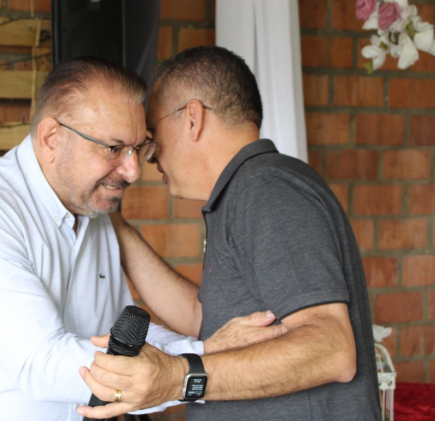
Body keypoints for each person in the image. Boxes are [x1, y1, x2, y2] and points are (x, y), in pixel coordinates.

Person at [0, 57, 285, 421]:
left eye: (138, 148)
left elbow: (117, 333)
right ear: (51, 138)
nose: (133, 170)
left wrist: (209, 349)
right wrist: (200, 359)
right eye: (114, 148)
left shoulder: (91, 209)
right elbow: (42, 364)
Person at [77, 46, 382, 421]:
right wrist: (111, 222)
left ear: (193, 118)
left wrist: (178, 378)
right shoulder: (244, 192)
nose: (150, 156)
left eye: (152, 136)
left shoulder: (266, 189)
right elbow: (201, 319)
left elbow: (331, 349)